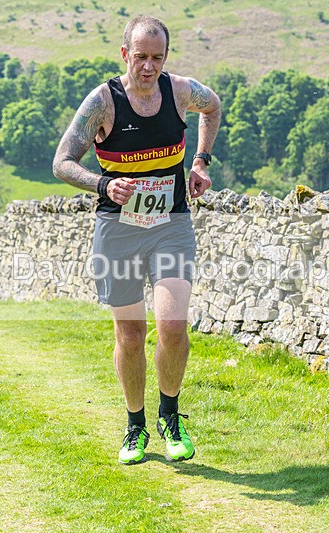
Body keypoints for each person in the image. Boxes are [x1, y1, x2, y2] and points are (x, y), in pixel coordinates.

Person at [52, 15, 221, 465]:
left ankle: (170, 415)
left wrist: (201, 161)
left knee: (171, 325)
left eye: (157, 57)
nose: (148, 67)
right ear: (125, 54)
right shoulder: (102, 102)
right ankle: (134, 425)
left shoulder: (180, 91)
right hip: (118, 231)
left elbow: (214, 106)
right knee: (129, 335)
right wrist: (102, 185)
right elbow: (62, 162)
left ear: (166, 57)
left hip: (171, 224)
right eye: (140, 56)